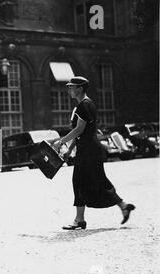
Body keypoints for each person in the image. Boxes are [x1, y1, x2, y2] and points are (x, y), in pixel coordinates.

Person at [52, 76, 135, 230]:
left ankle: (79, 220)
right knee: (96, 180)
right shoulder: (84, 105)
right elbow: (81, 134)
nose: (69, 89)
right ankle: (123, 206)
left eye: (72, 87)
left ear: (80, 88)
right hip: (88, 149)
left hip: (89, 151)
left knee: (80, 181)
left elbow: (79, 130)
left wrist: (61, 141)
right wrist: (70, 150)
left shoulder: (84, 105)